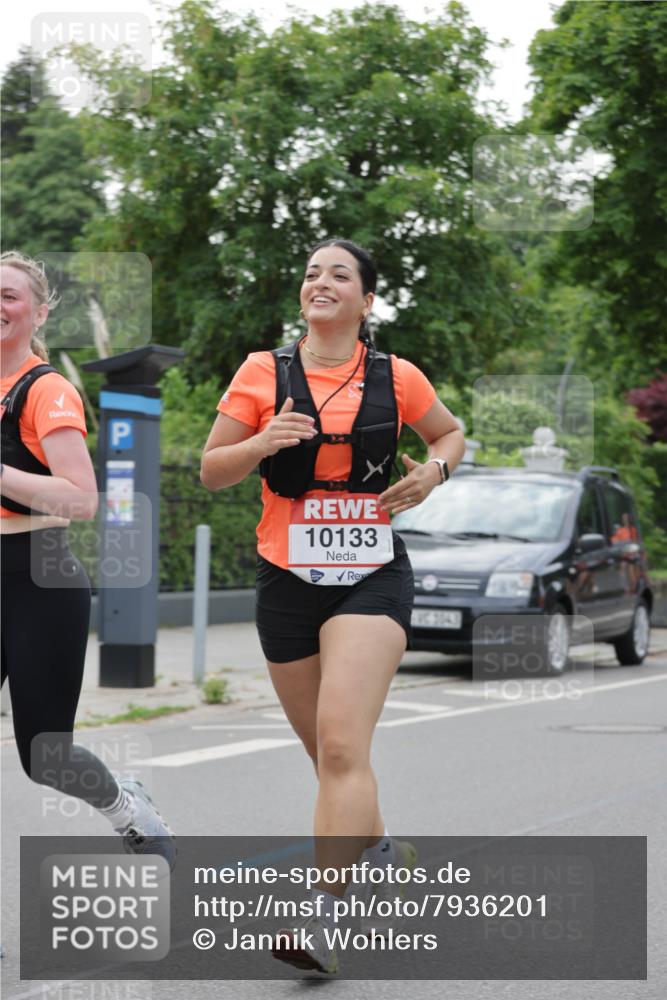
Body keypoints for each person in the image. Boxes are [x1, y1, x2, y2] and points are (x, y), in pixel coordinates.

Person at [201, 238, 465, 974]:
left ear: (366, 300)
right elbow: (211, 469)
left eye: (338, 274)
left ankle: (322, 922)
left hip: (370, 574)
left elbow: (449, 432)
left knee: (344, 745)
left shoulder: (397, 375)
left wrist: (434, 471)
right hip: (285, 577)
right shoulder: (261, 372)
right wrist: (260, 442)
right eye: (311, 271)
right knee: (327, 757)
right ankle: (379, 847)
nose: (321, 281)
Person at [0, 250, 175, 868]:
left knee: (44, 756)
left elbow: (82, 500)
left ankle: (126, 807)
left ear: (39, 311)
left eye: (10, 296)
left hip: (36, 580)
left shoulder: (46, 392)